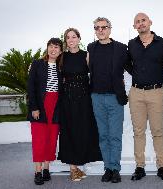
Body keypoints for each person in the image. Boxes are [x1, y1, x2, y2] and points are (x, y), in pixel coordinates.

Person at [127, 12, 163, 181]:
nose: (140, 23)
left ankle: (162, 167)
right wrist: (138, 73)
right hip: (136, 93)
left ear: (150, 22)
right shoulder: (131, 44)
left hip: (156, 92)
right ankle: (140, 167)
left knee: (158, 131)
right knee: (138, 132)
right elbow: (127, 64)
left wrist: (156, 73)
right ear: (134, 27)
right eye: (137, 22)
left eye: (143, 20)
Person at [57, 28, 102, 182]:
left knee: (83, 130)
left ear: (79, 39)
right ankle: (73, 168)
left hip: (84, 100)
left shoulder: (86, 55)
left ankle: (80, 165)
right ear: (65, 40)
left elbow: (96, 73)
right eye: (68, 37)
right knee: (69, 131)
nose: (71, 40)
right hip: (67, 100)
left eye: (74, 37)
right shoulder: (61, 57)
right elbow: (49, 66)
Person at [87, 17, 129, 183]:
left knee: (115, 136)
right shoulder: (91, 47)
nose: (100, 30)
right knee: (103, 136)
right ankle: (107, 168)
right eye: (97, 28)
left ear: (110, 29)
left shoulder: (120, 48)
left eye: (104, 27)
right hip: (96, 97)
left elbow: (133, 67)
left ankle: (115, 169)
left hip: (115, 98)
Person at [27, 38, 63, 185]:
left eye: (56, 47)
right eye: (51, 46)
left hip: (56, 106)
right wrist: (34, 107)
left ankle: (47, 168)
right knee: (39, 139)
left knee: (52, 138)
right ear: (47, 48)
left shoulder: (62, 67)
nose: (53, 50)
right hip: (41, 106)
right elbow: (31, 87)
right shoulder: (37, 64)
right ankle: (37, 171)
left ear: (60, 51)